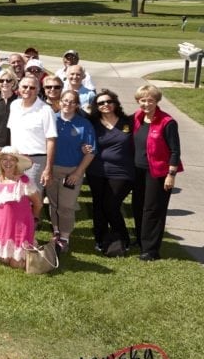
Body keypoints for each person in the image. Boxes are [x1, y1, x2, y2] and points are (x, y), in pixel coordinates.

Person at [132, 85, 182, 261]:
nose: (146, 104)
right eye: (142, 100)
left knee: (153, 210)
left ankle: (151, 250)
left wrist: (171, 175)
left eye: (150, 100)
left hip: (158, 173)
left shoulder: (167, 122)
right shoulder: (137, 117)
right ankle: (140, 240)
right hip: (138, 171)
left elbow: (175, 151)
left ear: (157, 101)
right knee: (138, 206)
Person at [45, 90, 96, 253]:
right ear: (59, 102)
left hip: (72, 171)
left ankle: (65, 238)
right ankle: (57, 232)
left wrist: (78, 173)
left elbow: (91, 152)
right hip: (52, 168)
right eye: (65, 101)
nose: (68, 104)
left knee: (66, 205)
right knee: (53, 204)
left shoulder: (84, 124)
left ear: (77, 105)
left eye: (72, 102)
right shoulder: (52, 119)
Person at [86, 90, 134, 255]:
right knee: (98, 205)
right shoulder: (92, 123)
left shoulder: (129, 122)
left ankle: (123, 238)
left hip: (122, 172)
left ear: (115, 103)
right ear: (96, 107)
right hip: (96, 171)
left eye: (108, 101)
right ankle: (101, 239)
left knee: (111, 205)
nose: (105, 105)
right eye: (101, 103)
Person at [7, 75, 56, 193]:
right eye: (25, 86)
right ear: (18, 88)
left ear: (38, 90)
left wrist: (48, 168)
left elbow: (51, 140)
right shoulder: (14, 105)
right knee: (15, 196)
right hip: (15, 159)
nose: (28, 90)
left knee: (33, 199)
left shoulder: (46, 110)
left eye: (32, 87)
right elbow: (12, 132)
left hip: (36, 161)